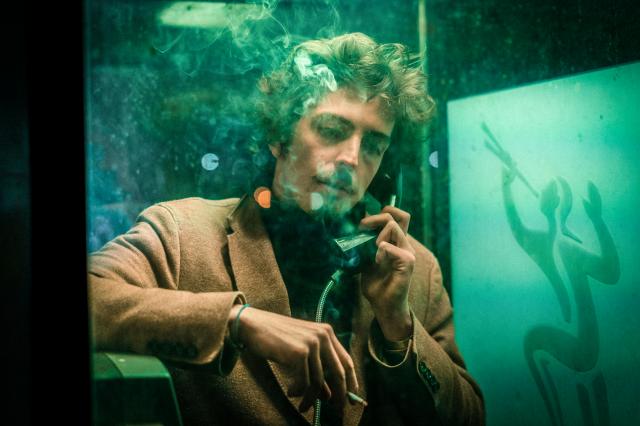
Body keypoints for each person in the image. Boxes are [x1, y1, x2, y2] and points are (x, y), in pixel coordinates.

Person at [89, 32, 485, 426]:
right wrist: (237, 322)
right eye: (332, 130)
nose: (351, 158)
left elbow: (470, 418)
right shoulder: (182, 235)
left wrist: (398, 324)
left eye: (373, 146)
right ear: (279, 136)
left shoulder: (413, 269)